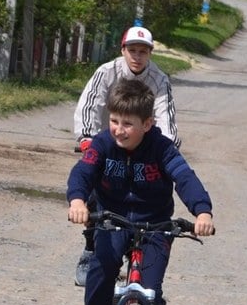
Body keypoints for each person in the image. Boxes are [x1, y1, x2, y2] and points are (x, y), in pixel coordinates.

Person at [67, 78, 214, 305]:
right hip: (112, 219)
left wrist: (202, 212)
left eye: (128, 124)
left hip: (155, 225)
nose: (119, 130)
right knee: (102, 268)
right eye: (114, 121)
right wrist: (77, 201)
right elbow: (82, 173)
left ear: (147, 124)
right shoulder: (103, 144)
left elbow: (185, 177)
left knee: (152, 294)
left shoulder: (161, 149)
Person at [71, 25, 180, 287]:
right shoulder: (106, 72)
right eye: (132, 50)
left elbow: (166, 115)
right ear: (123, 50)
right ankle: (90, 249)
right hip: (106, 142)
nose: (137, 57)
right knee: (95, 194)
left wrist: (165, 148)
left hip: (143, 144)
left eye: (143, 51)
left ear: (150, 53)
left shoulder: (159, 80)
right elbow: (90, 105)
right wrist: (87, 139)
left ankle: (140, 253)